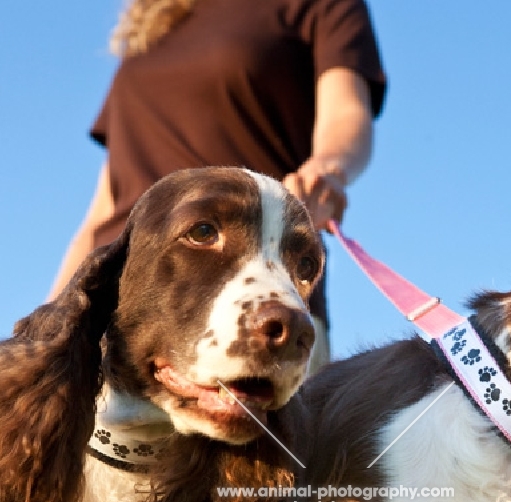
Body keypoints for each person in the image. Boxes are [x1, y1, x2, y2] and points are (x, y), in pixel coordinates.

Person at [50, 0, 387, 372]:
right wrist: (46, 329)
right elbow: (106, 208)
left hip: (260, 304)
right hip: (120, 310)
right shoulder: (155, 28)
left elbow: (346, 112)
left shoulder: (317, 6)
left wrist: (327, 170)